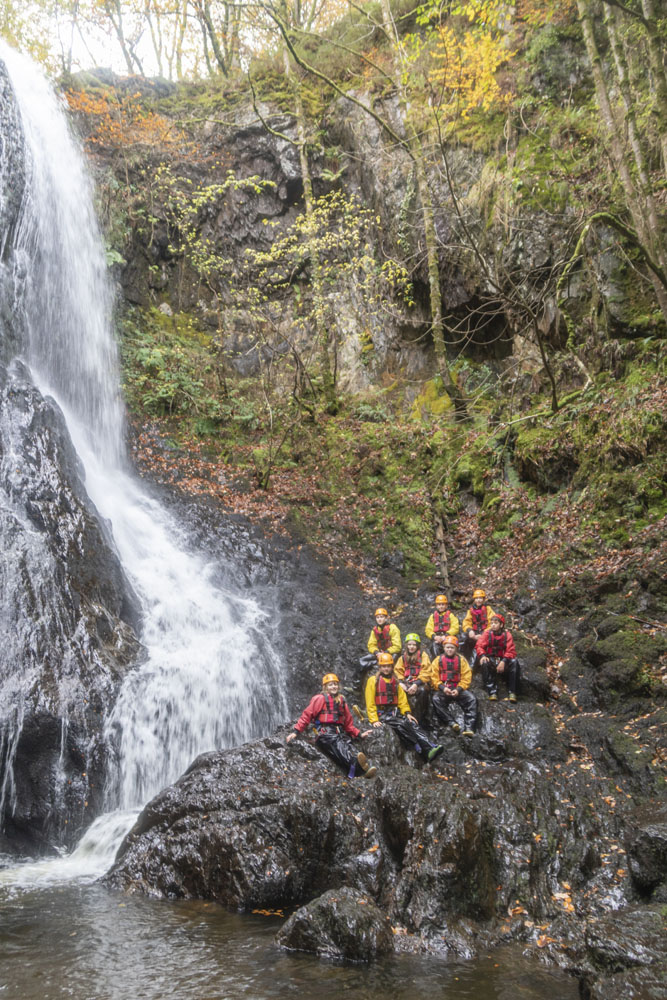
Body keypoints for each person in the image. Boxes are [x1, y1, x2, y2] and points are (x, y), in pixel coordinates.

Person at [286, 673, 378, 778]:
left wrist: (359, 734)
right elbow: (307, 715)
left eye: (335, 684)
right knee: (336, 743)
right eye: (330, 685)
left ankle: (360, 770)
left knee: (347, 744)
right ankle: (356, 764)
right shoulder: (319, 699)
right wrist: (296, 732)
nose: (333, 687)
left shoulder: (342, 701)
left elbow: (348, 723)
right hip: (323, 731)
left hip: (338, 731)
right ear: (325, 687)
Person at [365, 653, 443, 763]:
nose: (386, 668)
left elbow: (402, 700)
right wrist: (374, 720)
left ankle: (430, 747)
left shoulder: (395, 681)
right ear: (380, 667)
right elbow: (370, 701)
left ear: (392, 667)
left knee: (412, 723)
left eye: (388, 666)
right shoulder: (373, 680)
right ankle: (421, 747)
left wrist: (407, 713)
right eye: (383, 666)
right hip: (381, 714)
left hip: (393, 712)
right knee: (402, 724)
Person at [430, 636, 477, 736]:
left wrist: (459, 689)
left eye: (452, 647)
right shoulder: (438, 660)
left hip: (458, 689)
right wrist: (442, 688)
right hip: (444, 689)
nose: (449, 649)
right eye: (447, 647)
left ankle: (469, 727)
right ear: (444, 648)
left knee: (472, 699)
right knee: (436, 699)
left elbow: (466, 676)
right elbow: (433, 677)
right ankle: (451, 722)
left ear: (456, 649)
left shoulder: (462, 660)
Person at [476, 613, 520, 702]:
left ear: (501, 625)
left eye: (495, 623)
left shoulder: (507, 635)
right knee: (484, 662)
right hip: (491, 659)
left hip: (504, 660)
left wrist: (504, 661)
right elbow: (479, 646)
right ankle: (492, 691)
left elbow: (511, 650)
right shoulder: (487, 633)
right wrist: (483, 655)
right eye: (491, 623)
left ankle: (512, 691)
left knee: (514, 662)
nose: (493, 625)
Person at [394, 633, 431, 723]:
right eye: (409, 644)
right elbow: (397, 672)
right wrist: (401, 683)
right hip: (406, 682)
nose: (411, 647)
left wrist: (416, 684)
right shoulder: (402, 658)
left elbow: (426, 671)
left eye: (414, 645)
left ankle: (418, 718)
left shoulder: (423, 656)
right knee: (396, 689)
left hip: (419, 682)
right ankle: (401, 716)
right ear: (406, 645)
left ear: (417, 646)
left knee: (422, 691)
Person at [461, 589, 496, 666]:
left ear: (483, 599)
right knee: (464, 639)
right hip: (475, 633)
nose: (478, 600)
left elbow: (493, 622)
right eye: (477, 598)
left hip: (485, 633)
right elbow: (466, 622)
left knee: (479, 645)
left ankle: (472, 666)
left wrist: (484, 633)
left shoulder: (488, 609)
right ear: (474, 600)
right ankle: (462, 659)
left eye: (480, 598)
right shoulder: (470, 611)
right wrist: (470, 631)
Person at [424, 595, 460, 660]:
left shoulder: (450, 615)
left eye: (443, 604)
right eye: (439, 604)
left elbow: (455, 627)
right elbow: (428, 629)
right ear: (436, 606)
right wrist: (434, 636)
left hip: (448, 637)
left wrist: (446, 636)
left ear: (446, 605)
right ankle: (437, 663)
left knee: (451, 646)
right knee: (434, 647)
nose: (441, 606)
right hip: (436, 638)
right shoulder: (432, 616)